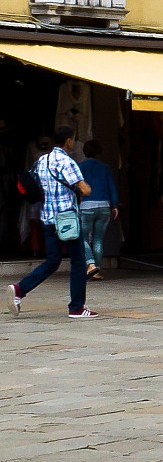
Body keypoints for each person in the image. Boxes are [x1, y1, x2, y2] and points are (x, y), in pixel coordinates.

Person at [10, 126, 92, 318]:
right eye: (73, 139)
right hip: (68, 219)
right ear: (68, 141)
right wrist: (86, 186)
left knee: (52, 261)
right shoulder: (67, 162)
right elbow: (84, 189)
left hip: (48, 218)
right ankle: (77, 307)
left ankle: (19, 289)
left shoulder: (42, 160)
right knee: (79, 262)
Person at [74, 142, 116, 277]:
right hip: (104, 205)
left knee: (83, 238)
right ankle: (96, 269)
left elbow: (76, 187)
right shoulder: (105, 168)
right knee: (98, 239)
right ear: (99, 152)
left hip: (86, 206)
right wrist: (114, 205)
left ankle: (90, 263)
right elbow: (112, 187)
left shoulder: (80, 167)